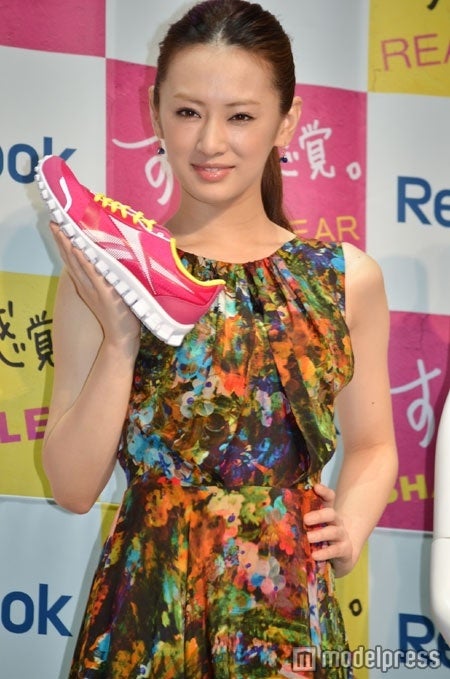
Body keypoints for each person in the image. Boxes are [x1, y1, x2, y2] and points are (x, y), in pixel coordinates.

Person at [42, 1, 398, 677]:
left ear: (286, 121)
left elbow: (375, 444)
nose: (210, 142)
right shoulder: (107, 269)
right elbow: (73, 488)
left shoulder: (344, 279)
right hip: (149, 612)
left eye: (240, 116)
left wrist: (350, 526)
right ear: (155, 112)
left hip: (284, 611)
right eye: (187, 111)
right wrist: (120, 343)